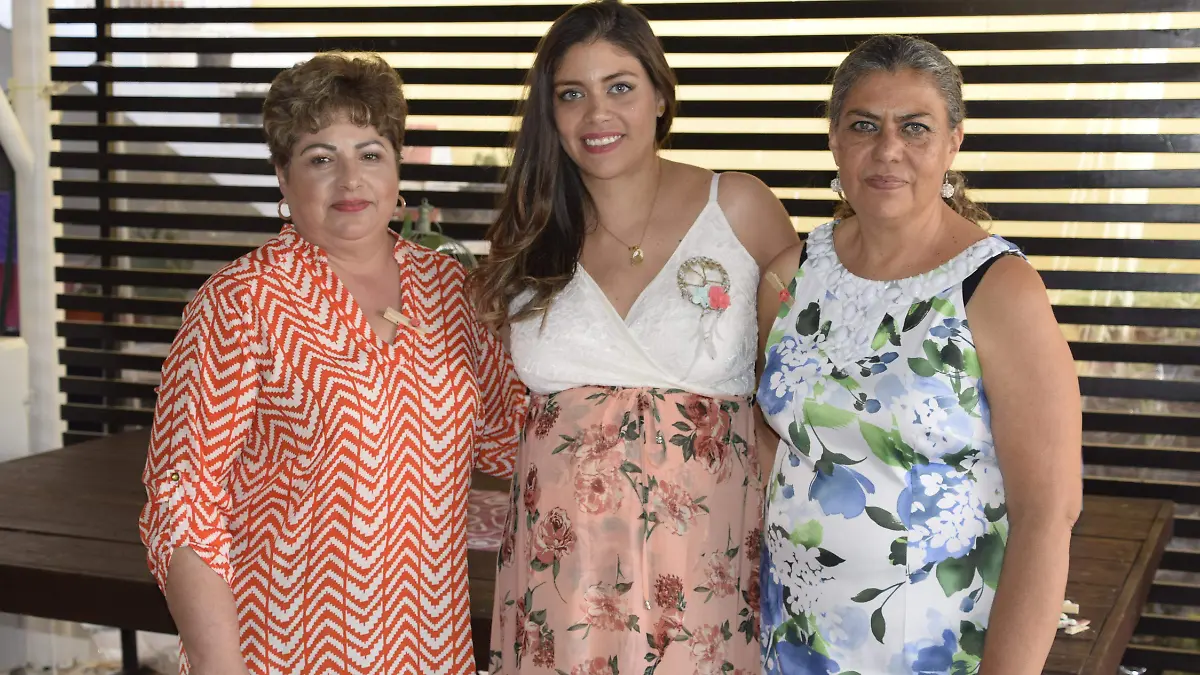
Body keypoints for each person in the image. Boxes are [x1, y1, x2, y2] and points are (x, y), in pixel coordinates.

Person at [138, 52, 524, 675]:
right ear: (284, 180)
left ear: (397, 169)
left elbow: (510, 441)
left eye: (370, 153)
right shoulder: (243, 301)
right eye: (321, 158)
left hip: (430, 648)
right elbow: (183, 504)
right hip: (280, 649)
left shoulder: (452, 289)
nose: (350, 179)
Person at [470, 1, 798, 673]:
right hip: (562, 578)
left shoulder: (739, 208)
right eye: (572, 94)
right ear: (550, 113)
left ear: (660, 94)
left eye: (619, 86)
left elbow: (804, 378)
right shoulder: (528, 236)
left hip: (707, 560)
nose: (597, 114)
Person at [755, 34, 1083, 674]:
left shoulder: (996, 288)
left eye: (915, 128)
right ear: (834, 137)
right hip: (792, 641)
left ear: (953, 141)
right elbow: (776, 450)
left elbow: (1049, 515)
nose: (887, 151)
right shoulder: (789, 275)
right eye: (864, 125)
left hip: (936, 651)